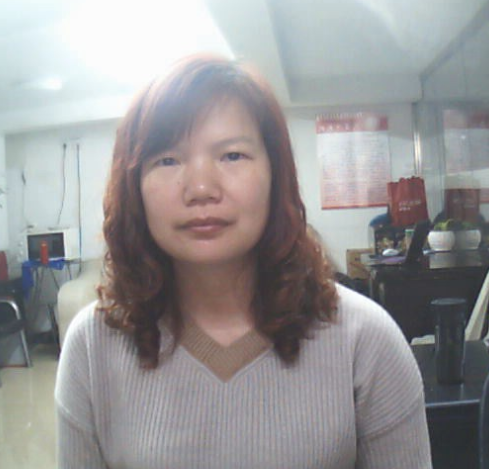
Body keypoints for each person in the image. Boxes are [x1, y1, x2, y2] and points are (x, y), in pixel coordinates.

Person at [55, 54, 432, 468]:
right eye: (167, 159)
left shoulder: (365, 341)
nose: (201, 188)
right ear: (134, 187)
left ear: (276, 175)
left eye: (232, 155)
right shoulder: (91, 346)